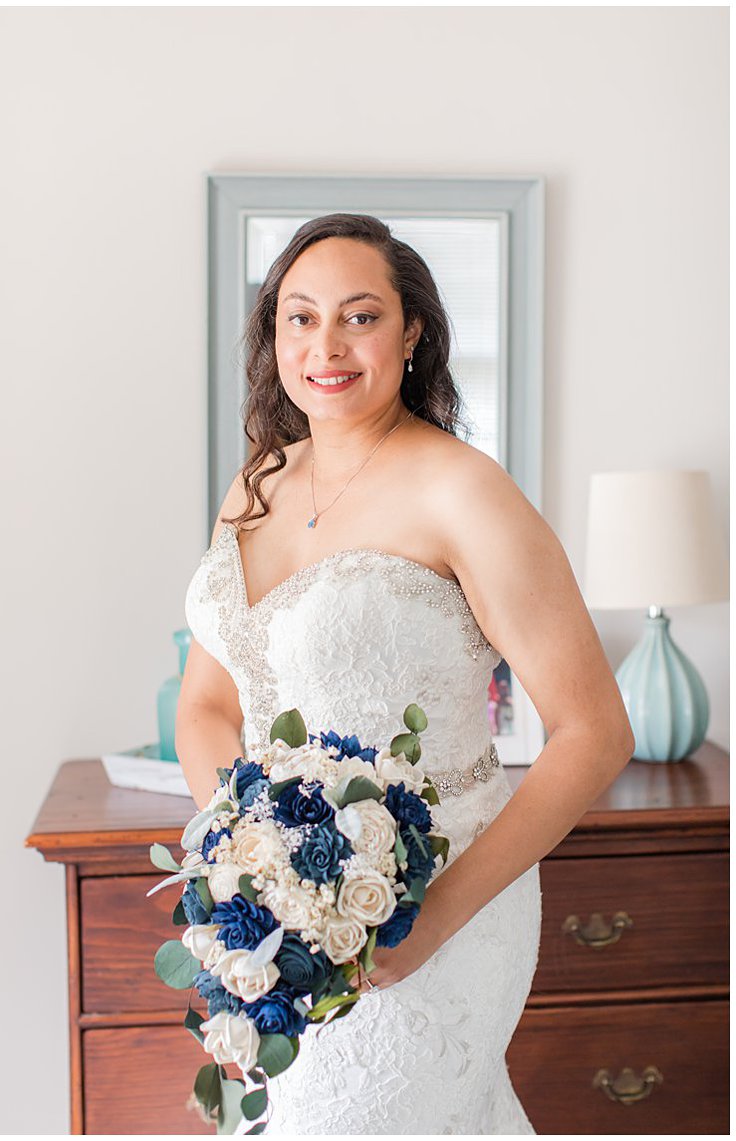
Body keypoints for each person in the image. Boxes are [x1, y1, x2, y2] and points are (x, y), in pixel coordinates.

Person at [178, 213, 634, 1134]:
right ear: (274, 336)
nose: (327, 346)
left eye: (360, 316)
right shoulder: (256, 483)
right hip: (283, 923)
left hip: (441, 906)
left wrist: (432, 921)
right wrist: (253, 867)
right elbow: (209, 702)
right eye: (300, 318)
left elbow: (595, 731)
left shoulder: (464, 491)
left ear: (412, 331)